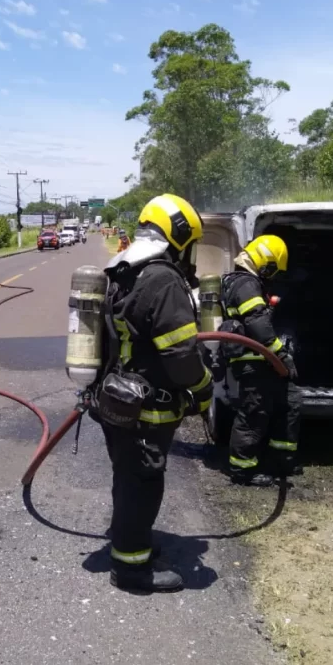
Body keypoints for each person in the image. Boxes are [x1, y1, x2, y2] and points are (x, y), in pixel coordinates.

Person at [94, 193, 213, 593]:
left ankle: (132, 541)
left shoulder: (123, 268)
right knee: (143, 482)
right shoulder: (163, 279)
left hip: (115, 400)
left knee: (128, 477)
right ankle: (131, 569)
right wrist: (203, 388)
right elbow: (181, 353)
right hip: (147, 407)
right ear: (179, 234)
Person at [218, 234, 300, 487]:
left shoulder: (246, 282)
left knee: (286, 404)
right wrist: (281, 354)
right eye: (273, 269)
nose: (273, 276)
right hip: (253, 362)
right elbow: (256, 321)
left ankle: (280, 461)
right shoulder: (245, 284)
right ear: (265, 262)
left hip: (261, 361)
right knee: (253, 414)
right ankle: (242, 470)